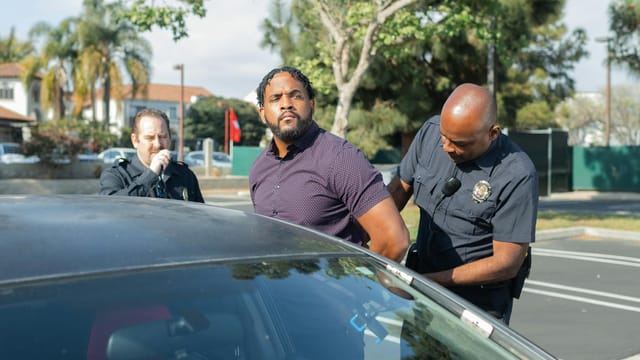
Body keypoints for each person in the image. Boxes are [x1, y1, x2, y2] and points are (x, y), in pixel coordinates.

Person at [387, 83, 538, 324]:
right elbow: (397, 191)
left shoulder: (517, 174)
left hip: (476, 307)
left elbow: (507, 263)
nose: (447, 147)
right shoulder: (430, 131)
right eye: (444, 137)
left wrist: (431, 281)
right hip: (423, 293)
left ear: (493, 133)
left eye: (460, 143)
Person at [249, 66, 409, 263]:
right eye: (276, 98)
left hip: (335, 290)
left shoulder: (341, 158)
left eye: (295, 96)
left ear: (312, 104)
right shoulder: (259, 168)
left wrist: (360, 286)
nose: (286, 104)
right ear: (262, 113)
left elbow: (394, 240)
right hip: (277, 290)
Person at [99, 108, 204, 203]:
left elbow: (200, 216)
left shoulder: (185, 175)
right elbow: (111, 206)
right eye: (150, 138)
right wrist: (151, 175)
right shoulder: (116, 175)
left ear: (170, 138)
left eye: (163, 137)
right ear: (135, 140)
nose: (158, 144)